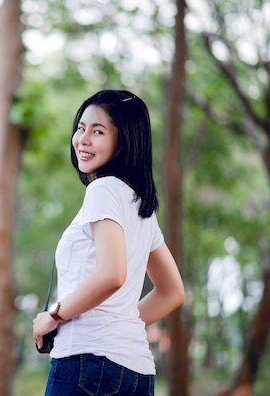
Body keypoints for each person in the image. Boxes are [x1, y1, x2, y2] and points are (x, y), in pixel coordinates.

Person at [32, 89, 185, 395]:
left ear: (123, 141)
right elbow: (172, 292)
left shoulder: (103, 190)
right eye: (81, 128)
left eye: (98, 131)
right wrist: (118, 325)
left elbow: (112, 275)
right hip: (137, 370)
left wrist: (54, 316)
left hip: (86, 363)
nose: (83, 139)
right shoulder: (141, 206)